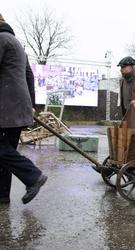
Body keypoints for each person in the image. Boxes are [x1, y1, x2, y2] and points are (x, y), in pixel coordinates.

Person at [0, 14, 47, 204]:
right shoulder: (17, 44)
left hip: (6, 110)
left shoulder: (1, 40)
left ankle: (33, 176)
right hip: (17, 109)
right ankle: (2, 195)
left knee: (3, 151)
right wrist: (31, 106)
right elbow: (29, 77)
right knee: (6, 154)